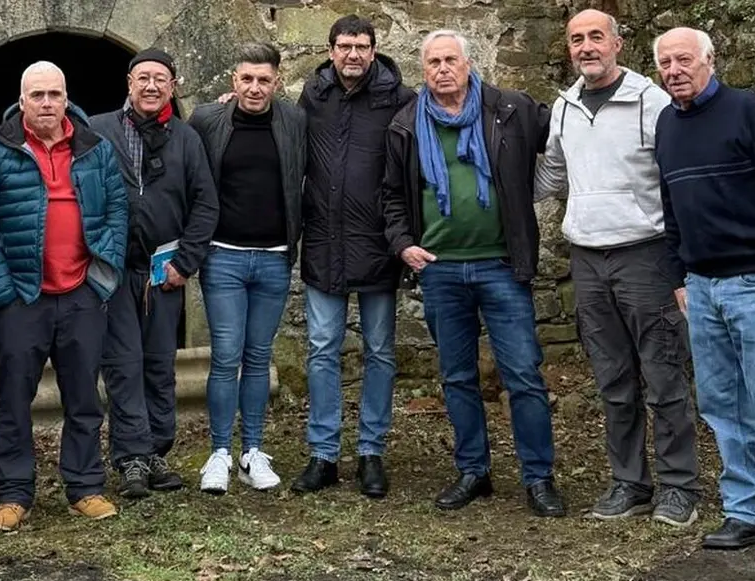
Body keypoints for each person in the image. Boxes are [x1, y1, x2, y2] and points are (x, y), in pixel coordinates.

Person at [381, 29, 564, 517]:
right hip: (441, 270)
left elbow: (567, 130)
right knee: (457, 376)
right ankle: (473, 470)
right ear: (424, 70)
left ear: (468, 63)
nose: (442, 69)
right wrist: (403, 245)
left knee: (522, 373)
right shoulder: (405, 124)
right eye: (433, 62)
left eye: (450, 60)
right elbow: (393, 197)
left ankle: (539, 477)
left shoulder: (510, 108)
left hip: (502, 264)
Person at [653, 27, 755, 553]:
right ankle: (745, 512)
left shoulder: (752, 113)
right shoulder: (666, 124)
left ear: (710, 60)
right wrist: (679, 277)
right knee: (724, 406)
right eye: (664, 63)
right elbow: (671, 206)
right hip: (701, 289)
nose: (674, 70)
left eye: (684, 60)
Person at [535, 10, 700, 526]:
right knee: (612, 378)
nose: (586, 47)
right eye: (576, 39)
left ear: (617, 44)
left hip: (645, 256)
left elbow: (676, 180)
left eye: (595, 37)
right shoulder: (563, 107)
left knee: (663, 374)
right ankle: (629, 481)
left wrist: (683, 263)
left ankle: (678, 487)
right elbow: (550, 177)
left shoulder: (652, 102)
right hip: (587, 258)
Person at [0, 62, 128, 530]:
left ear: (66, 99)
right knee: (13, 399)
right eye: (36, 95)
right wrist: (1, 288)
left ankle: (85, 487)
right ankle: (13, 493)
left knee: (83, 397)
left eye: (53, 94)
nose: (45, 103)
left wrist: (103, 275)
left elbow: (117, 209)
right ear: (21, 101)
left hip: (81, 292)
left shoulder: (94, 148)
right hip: (23, 296)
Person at [294, 15, 416, 499]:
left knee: (380, 352)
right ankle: (323, 454)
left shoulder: (399, 99)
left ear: (373, 50)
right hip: (325, 244)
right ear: (330, 51)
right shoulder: (313, 98)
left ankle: (371, 451)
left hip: (377, 246)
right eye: (344, 46)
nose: (353, 55)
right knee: (322, 350)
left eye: (362, 47)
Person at [90, 49, 219, 500]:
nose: (150, 86)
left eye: (160, 79)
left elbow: (205, 204)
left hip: (163, 275)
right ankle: (131, 459)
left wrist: (186, 261)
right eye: (143, 77)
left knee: (159, 364)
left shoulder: (185, 138)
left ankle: (157, 450)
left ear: (173, 85)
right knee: (123, 365)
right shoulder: (99, 130)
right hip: (113, 271)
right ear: (129, 82)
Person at [188, 43, 307, 494]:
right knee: (225, 356)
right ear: (233, 81)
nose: (255, 88)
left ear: (276, 82)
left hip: (275, 257)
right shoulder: (206, 120)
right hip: (223, 256)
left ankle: (252, 451)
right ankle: (219, 452)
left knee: (259, 357)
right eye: (247, 79)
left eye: (264, 80)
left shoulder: (294, 121)